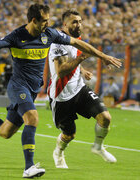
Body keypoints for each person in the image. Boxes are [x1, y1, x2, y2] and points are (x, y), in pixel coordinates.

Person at [0, 3, 121, 178]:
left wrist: (103, 56)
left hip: (32, 89)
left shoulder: (49, 34)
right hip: (18, 86)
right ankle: (29, 168)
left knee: (5, 131)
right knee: (32, 117)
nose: (47, 24)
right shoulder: (17, 36)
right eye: (44, 21)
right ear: (34, 20)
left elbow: (77, 43)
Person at [48, 9, 117, 169]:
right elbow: (61, 70)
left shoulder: (77, 39)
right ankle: (58, 152)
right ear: (65, 24)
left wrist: (82, 70)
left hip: (79, 89)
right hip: (61, 96)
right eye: (74, 22)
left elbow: (74, 60)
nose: (79, 25)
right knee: (69, 134)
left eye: (80, 21)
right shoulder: (57, 43)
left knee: (105, 117)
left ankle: (98, 147)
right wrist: (81, 58)